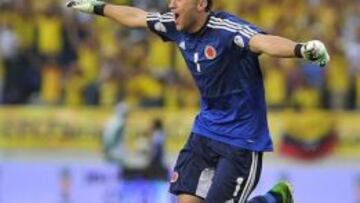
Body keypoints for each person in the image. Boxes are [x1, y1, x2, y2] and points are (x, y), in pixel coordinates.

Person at [67, 0, 330, 202]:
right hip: (204, 133)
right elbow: (137, 17)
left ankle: (275, 198)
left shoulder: (227, 30)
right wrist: (98, 7)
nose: (171, 5)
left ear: (201, 4)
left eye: (178, 0)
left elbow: (264, 42)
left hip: (241, 141)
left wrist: (301, 49)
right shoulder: (173, 25)